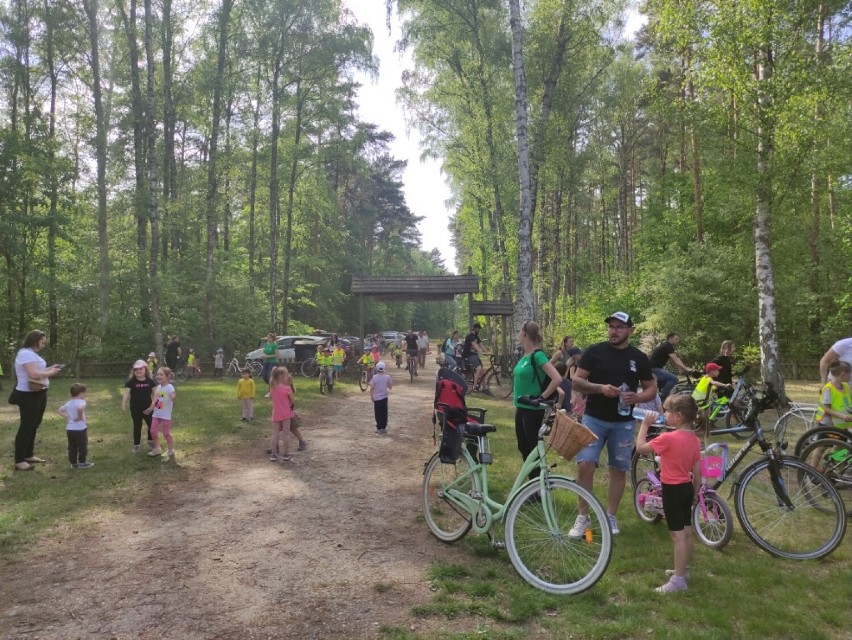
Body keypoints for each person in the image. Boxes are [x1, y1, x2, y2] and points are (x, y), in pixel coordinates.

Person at [570, 311, 657, 536]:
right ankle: (583, 517)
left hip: (623, 422)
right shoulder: (595, 351)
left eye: (619, 327)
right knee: (585, 464)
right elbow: (577, 381)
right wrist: (600, 388)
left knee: (618, 469)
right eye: (611, 327)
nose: (614, 331)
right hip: (594, 418)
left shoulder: (639, 357)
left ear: (630, 330)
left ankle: (610, 516)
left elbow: (651, 388)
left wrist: (636, 398)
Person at [635, 394, 703, 593]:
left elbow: (640, 449)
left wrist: (644, 425)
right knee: (687, 530)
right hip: (687, 487)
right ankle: (684, 568)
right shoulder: (694, 439)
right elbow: (697, 469)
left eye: (667, 411)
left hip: (672, 490)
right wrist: (696, 491)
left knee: (677, 535)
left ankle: (678, 580)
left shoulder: (667, 438)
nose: (664, 414)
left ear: (679, 416)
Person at [513, 321, 564, 478]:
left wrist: (542, 397)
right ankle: (533, 483)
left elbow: (556, 378)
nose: (519, 334)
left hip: (533, 410)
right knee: (523, 446)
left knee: (533, 448)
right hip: (521, 408)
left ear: (524, 334)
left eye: (520, 331)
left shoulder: (538, 355)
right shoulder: (526, 356)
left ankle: (537, 487)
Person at [12, 330, 64, 470]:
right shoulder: (26, 353)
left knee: (34, 424)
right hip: (28, 394)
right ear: (35, 340)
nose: (43, 344)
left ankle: (28, 454)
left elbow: (38, 370)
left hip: (38, 392)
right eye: (42, 342)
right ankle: (19, 459)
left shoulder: (32, 354)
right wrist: (51, 373)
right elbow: (34, 374)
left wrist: (50, 368)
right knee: (27, 425)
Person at [122, 360, 157, 453]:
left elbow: (155, 394)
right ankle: (136, 445)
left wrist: (152, 405)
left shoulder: (150, 381)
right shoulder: (131, 382)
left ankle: (150, 441)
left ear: (145, 369)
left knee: (152, 426)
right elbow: (126, 393)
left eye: (140, 369)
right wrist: (123, 404)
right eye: (136, 369)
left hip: (148, 409)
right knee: (137, 426)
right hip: (135, 409)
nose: (138, 371)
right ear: (133, 371)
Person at [58, 383, 94, 469]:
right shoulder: (82, 401)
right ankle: (82, 462)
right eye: (85, 392)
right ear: (81, 393)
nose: (86, 394)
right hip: (80, 429)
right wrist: (79, 417)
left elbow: (59, 410)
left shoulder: (69, 403)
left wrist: (66, 417)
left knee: (72, 446)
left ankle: (73, 463)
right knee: (82, 446)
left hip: (70, 429)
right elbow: (80, 408)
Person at [145, 367, 176, 460]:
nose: (158, 376)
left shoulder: (170, 387)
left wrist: (173, 397)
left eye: (161, 374)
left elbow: (173, 396)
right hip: (157, 414)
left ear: (167, 376)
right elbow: (156, 400)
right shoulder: (158, 387)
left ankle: (171, 450)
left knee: (166, 433)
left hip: (166, 415)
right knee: (153, 431)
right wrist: (150, 409)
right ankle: (157, 449)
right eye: (157, 374)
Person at [648, 333, 691, 401]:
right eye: (676, 339)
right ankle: (660, 397)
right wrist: (687, 369)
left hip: (655, 369)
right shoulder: (667, 347)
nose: (678, 340)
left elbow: (673, 361)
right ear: (670, 339)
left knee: (666, 390)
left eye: (678, 339)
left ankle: (662, 403)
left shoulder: (667, 346)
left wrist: (681, 368)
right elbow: (676, 360)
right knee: (674, 379)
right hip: (654, 369)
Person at [269, 366, 296, 462]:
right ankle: (286, 454)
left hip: (276, 414)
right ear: (281, 377)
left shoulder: (272, 388)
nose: (288, 376)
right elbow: (292, 401)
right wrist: (291, 406)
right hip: (286, 414)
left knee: (275, 434)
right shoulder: (287, 388)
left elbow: (272, 398)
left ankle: (274, 454)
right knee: (286, 435)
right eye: (287, 374)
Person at [814, 361, 852, 429]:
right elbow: (826, 409)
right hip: (828, 424)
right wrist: (843, 416)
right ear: (843, 374)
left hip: (841, 424)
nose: (851, 376)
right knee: (825, 440)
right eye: (850, 373)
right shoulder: (828, 389)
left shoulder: (846, 386)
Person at [368, 360, 393, 434]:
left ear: (376, 368)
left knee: (378, 413)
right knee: (384, 412)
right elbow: (390, 387)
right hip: (385, 398)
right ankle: (384, 427)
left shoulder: (374, 377)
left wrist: (371, 396)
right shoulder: (387, 377)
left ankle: (379, 428)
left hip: (377, 398)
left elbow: (371, 388)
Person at [462, 322, 486, 390]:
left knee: (482, 371)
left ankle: (484, 388)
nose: (479, 330)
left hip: (474, 355)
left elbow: (481, 345)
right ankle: (474, 387)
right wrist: (481, 351)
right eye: (478, 329)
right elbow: (475, 346)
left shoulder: (476, 337)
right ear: (475, 329)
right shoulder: (469, 336)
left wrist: (487, 352)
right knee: (478, 368)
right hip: (469, 356)